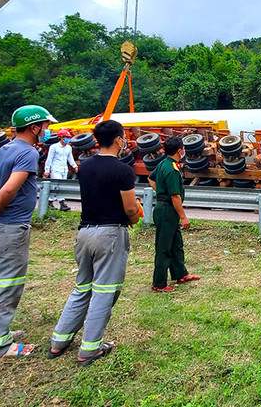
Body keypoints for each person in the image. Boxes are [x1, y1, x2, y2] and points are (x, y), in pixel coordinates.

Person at [48, 120, 140, 366]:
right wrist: (134, 217)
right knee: (104, 292)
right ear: (118, 139)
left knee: (82, 288)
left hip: (85, 233)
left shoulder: (85, 166)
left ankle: (59, 341)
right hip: (110, 235)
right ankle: (89, 349)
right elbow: (130, 208)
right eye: (123, 137)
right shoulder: (122, 170)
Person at [0, 104, 57, 362]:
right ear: (34, 127)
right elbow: (10, 189)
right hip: (9, 229)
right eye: (46, 126)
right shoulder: (27, 152)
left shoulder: (3, 150)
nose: (48, 130)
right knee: (6, 285)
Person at [148, 136, 200, 292]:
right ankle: (159, 283)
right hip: (167, 210)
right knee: (164, 247)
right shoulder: (172, 170)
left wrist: (160, 190)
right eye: (182, 149)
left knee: (176, 244)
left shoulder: (163, 164)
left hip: (167, 210)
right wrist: (183, 217)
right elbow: (175, 196)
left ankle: (180, 273)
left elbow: (150, 178)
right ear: (179, 150)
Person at [43, 128, 77, 211]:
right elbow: (49, 159)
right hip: (55, 169)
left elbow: (70, 158)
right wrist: (47, 170)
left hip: (64, 169)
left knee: (60, 187)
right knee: (57, 186)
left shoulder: (68, 148)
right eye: (66, 137)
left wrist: (75, 166)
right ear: (61, 138)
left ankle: (50, 202)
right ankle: (62, 204)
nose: (68, 139)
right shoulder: (54, 147)